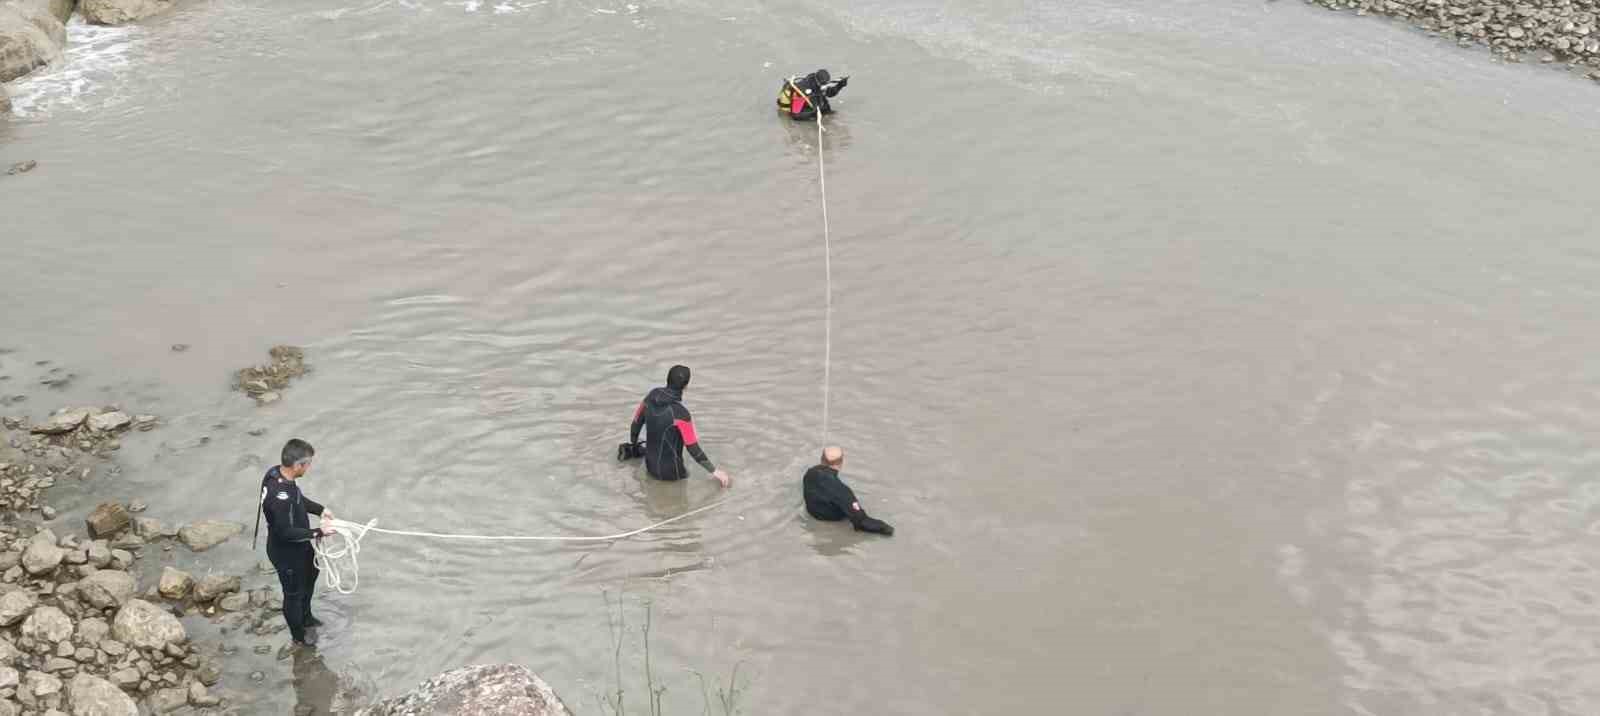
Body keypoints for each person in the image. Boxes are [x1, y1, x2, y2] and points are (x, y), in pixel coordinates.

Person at [260, 438, 334, 649]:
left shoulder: (276, 473)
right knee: (293, 594)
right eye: (308, 463)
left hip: (300, 546)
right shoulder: (279, 496)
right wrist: (319, 531)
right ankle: (298, 636)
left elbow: (299, 499)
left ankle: (307, 617)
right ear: (298, 465)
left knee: (311, 575)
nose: (309, 467)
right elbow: (285, 533)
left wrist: (320, 509)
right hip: (285, 552)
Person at [625, 364, 732, 487]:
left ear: (667, 379)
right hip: (673, 476)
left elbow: (635, 424)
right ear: (686, 386)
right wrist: (715, 471)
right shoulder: (681, 414)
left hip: (650, 468)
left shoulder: (651, 396)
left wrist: (634, 447)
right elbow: (693, 448)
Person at [803, 446, 893, 535]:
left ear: (821, 459)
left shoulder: (810, 472)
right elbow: (861, 521)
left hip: (811, 511)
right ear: (841, 462)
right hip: (829, 519)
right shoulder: (842, 491)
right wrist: (886, 528)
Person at [776, 68, 849, 121]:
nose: (825, 86)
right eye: (823, 84)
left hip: (808, 103)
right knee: (818, 106)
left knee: (822, 103)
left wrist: (840, 85)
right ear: (817, 81)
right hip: (796, 109)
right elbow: (795, 115)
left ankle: (825, 113)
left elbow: (829, 93)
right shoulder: (802, 91)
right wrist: (813, 113)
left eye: (826, 83)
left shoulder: (819, 84)